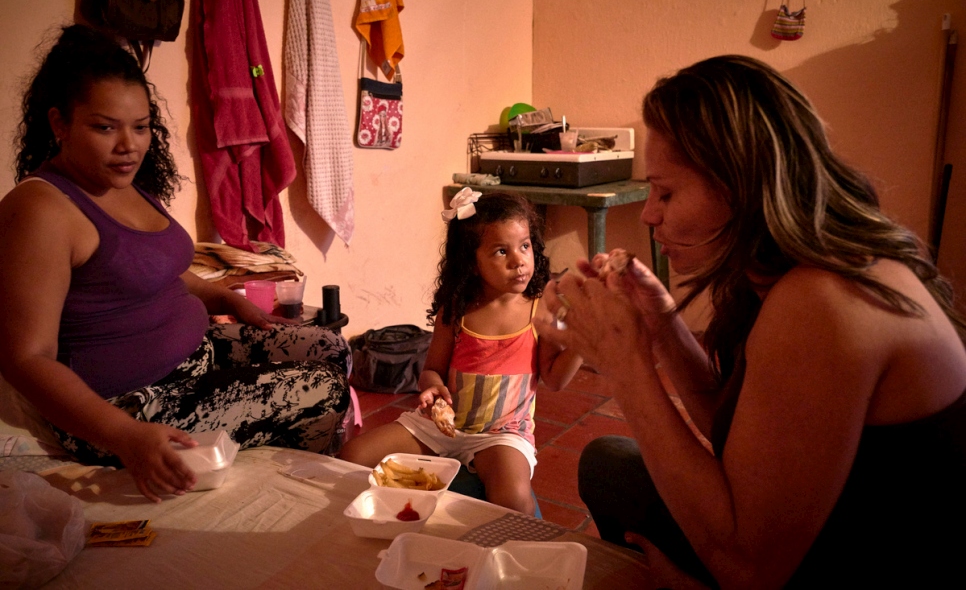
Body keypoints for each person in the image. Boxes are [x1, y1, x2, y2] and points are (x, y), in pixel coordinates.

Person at [534, 55, 966, 588]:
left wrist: (625, 364)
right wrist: (662, 323)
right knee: (607, 464)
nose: (649, 214)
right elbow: (739, 433)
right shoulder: (789, 270)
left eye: (666, 192)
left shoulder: (824, 302)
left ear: (741, 185)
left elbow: (750, 571)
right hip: (819, 531)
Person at [0, 24, 351, 503]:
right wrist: (125, 435)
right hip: (133, 406)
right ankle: (293, 502)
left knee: (331, 349)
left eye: (141, 126)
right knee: (321, 389)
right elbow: (25, 358)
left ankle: (278, 466)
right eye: (105, 127)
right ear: (59, 124)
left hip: (195, 356)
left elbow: (152, 269)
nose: (130, 145)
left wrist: (222, 296)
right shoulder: (41, 209)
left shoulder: (121, 182)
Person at [340, 189, 582, 514]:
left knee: (512, 497)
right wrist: (432, 388)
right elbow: (431, 370)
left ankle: (520, 557)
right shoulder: (456, 309)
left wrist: (581, 343)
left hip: (502, 433)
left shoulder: (540, 310)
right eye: (501, 251)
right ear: (472, 260)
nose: (518, 260)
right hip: (442, 427)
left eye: (524, 246)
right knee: (353, 456)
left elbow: (554, 379)